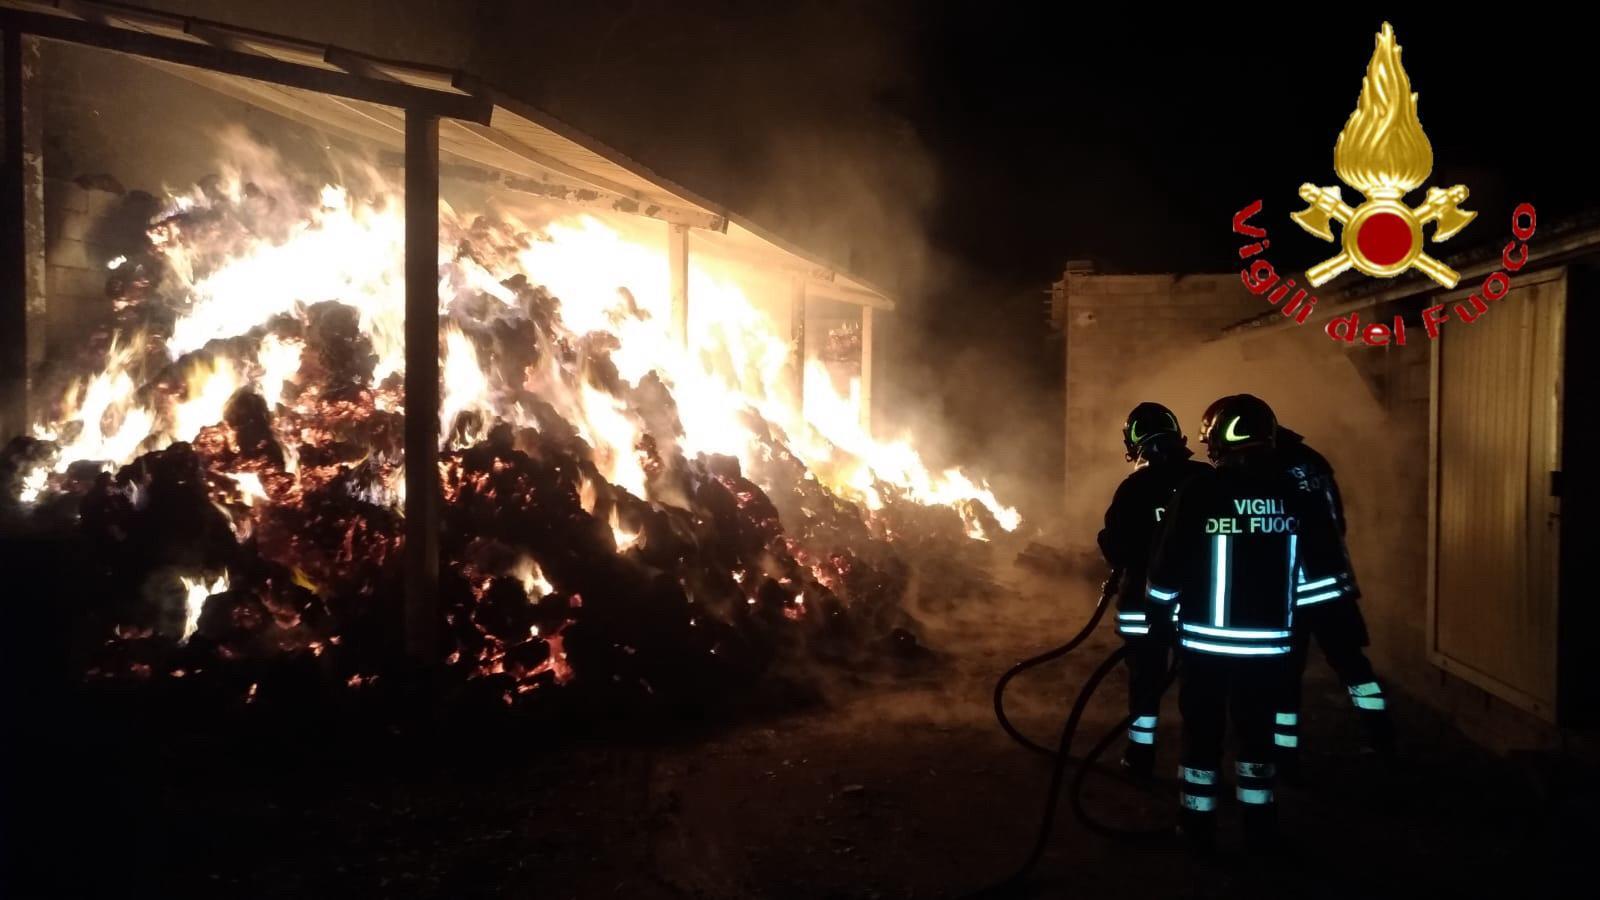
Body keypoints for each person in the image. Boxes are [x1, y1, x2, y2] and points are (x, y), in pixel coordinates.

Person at [1144, 394, 1350, 852]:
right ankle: (1260, 825)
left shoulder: (1199, 492)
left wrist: (1159, 617)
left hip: (1206, 648)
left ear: (1218, 439)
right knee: (1256, 737)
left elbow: (1167, 565)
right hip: (1270, 649)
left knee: (1203, 737)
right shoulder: (1294, 493)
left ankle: (1197, 827)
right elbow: (1324, 564)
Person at [1260, 412, 1395, 775]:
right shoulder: (1312, 461)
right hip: (1334, 585)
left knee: (1284, 678)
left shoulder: (1268, 471)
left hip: (1294, 594)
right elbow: (1338, 522)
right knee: (1354, 666)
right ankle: (1383, 739)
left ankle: (1285, 756)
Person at [1096, 402, 1210, 776]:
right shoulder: (1205, 479)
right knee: (1200, 689)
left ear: (1133, 443)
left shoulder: (1134, 487)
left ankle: (1140, 757)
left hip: (1143, 607)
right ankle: (1201, 761)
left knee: (1145, 683)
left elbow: (1116, 547)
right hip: (1199, 607)